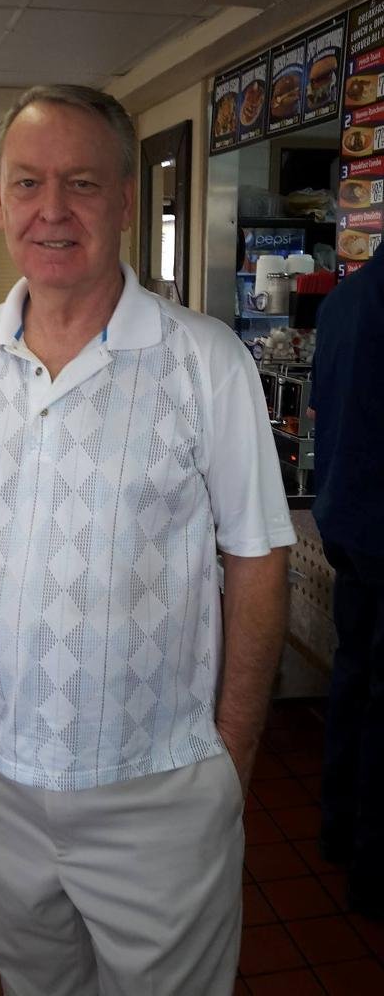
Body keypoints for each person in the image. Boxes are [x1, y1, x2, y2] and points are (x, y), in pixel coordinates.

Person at [0, 85, 295, 995]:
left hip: (155, 786)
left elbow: (258, 558)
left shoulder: (204, 360)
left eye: (81, 183)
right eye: (28, 182)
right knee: (35, 984)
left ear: (124, 199)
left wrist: (229, 759)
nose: (52, 209)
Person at [309, 241, 384, 920]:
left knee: (354, 679)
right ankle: (372, 871)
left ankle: (337, 829)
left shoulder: (344, 301)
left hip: (346, 518)